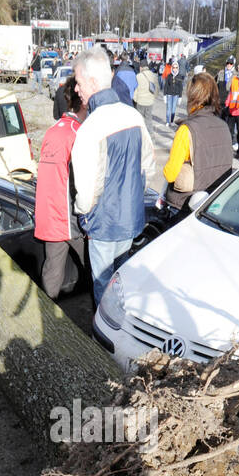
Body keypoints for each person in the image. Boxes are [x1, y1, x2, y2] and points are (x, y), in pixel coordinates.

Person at [71, 48, 156, 303]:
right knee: (123, 287)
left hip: (104, 225)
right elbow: (148, 168)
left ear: (93, 83)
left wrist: (83, 212)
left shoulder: (90, 128)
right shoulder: (133, 116)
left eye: (78, 82)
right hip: (130, 220)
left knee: (104, 291)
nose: (76, 89)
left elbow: (85, 192)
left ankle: (102, 340)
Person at [34, 76, 85, 300]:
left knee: (52, 271)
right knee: (95, 268)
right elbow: (83, 179)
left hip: (49, 214)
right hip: (69, 215)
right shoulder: (77, 133)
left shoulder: (52, 131)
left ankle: (48, 323)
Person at [162, 72, 234, 214]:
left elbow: (170, 174)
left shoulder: (186, 130)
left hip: (185, 204)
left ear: (193, 96)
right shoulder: (224, 126)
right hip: (213, 203)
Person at [162, 60, 186, 126]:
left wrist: (180, 97)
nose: (175, 69)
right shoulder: (169, 76)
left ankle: (172, 121)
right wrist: (164, 95)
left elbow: (181, 87)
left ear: (178, 68)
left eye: (176, 67)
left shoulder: (179, 76)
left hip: (176, 95)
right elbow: (166, 86)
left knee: (173, 110)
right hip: (169, 95)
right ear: (172, 68)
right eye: (174, 67)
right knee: (168, 109)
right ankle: (167, 121)